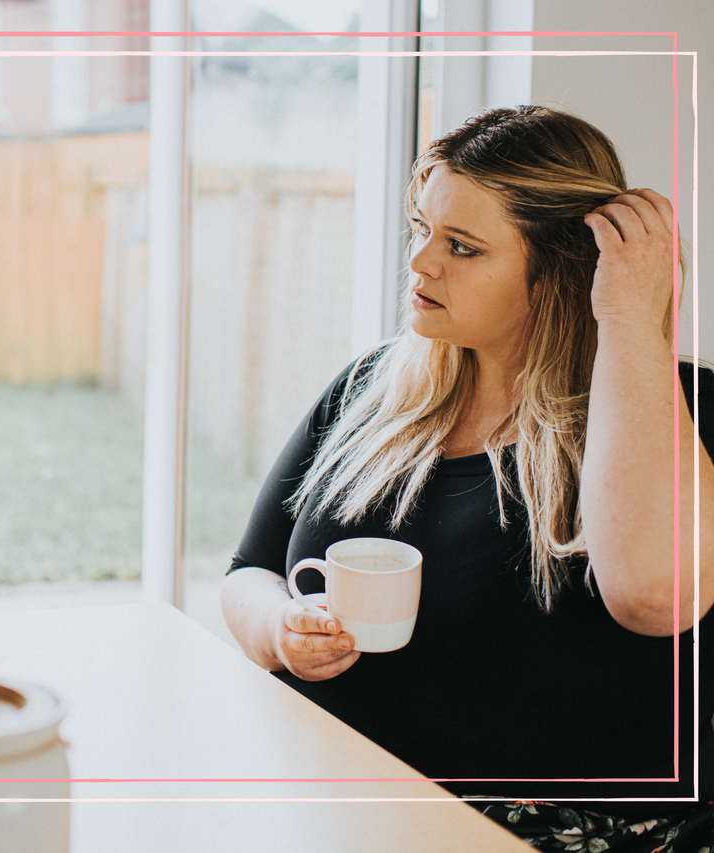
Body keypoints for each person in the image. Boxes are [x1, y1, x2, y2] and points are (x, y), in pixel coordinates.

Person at [222, 106, 713, 851]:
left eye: (463, 246)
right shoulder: (367, 389)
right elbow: (248, 571)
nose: (421, 262)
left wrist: (627, 316)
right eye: (422, 228)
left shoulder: (678, 411)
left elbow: (658, 593)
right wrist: (278, 631)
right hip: (337, 807)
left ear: (560, 271)